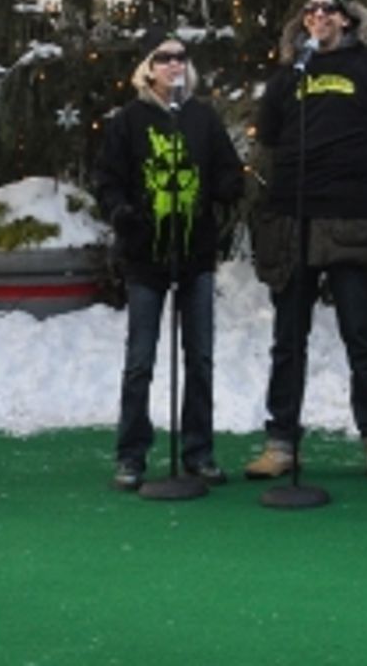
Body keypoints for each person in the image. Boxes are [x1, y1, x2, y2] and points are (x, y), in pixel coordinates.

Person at [246, 0, 367, 483]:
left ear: (346, 18)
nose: (319, 18)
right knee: (288, 338)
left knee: (361, 330)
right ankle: (281, 441)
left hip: (351, 216)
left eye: (328, 10)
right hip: (294, 216)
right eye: (311, 12)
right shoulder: (290, 74)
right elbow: (268, 132)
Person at [96, 26, 244, 491]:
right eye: (164, 58)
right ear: (148, 68)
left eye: (181, 57)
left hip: (195, 252)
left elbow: (227, 167)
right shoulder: (128, 121)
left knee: (199, 356)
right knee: (141, 359)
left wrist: (226, 190)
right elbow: (108, 177)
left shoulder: (201, 118)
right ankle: (131, 453)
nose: (174, 65)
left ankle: (198, 450)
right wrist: (121, 212)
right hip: (146, 255)